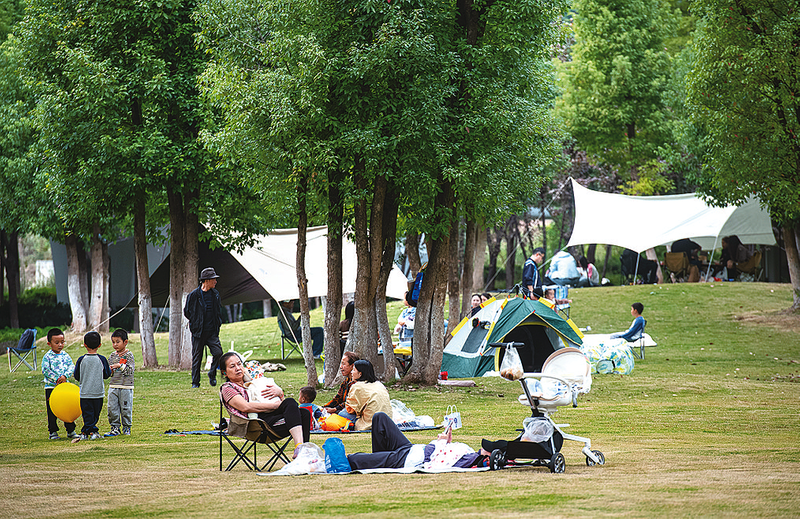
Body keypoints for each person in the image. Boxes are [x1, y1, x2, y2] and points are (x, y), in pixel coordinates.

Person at [219, 351, 310, 449]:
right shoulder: (228, 388)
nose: (238, 368)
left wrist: (280, 393)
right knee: (294, 408)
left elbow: (282, 404)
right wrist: (276, 406)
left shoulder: (253, 382)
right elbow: (245, 407)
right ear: (225, 372)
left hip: (269, 416)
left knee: (304, 412)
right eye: (232, 366)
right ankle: (301, 449)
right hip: (256, 424)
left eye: (239, 364)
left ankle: (302, 451)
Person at [347, 412, 488, 470]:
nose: (484, 446)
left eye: (488, 448)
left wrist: (441, 442)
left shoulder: (470, 460)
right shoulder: (469, 452)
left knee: (354, 459)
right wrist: (447, 441)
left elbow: (437, 464)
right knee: (380, 417)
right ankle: (379, 461)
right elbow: (446, 453)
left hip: (411, 459)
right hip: (413, 449)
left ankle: (376, 461)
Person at [184, 267, 224, 388]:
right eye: (214, 279)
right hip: (198, 332)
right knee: (197, 358)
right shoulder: (194, 295)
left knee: (218, 353)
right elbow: (187, 312)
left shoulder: (215, 294)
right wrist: (196, 323)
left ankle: (212, 373)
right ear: (206, 280)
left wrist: (218, 324)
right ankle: (195, 383)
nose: (216, 282)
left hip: (212, 332)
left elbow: (218, 311)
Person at [72, 331, 111, 442]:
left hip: (85, 392)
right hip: (98, 392)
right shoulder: (102, 359)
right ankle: (93, 431)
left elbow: (77, 375)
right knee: (95, 415)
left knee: (87, 414)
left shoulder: (81, 360)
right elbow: (106, 374)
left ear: (85, 344)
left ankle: (85, 432)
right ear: (99, 345)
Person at [42, 328, 78, 440]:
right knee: (52, 410)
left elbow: (71, 366)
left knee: (67, 409)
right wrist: (57, 379)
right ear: (49, 343)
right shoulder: (47, 357)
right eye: (57, 343)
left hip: (64, 389)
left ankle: (70, 430)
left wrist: (65, 377)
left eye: (62, 342)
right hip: (51, 388)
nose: (60, 345)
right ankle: (53, 431)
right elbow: (46, 370)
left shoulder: (65, 355)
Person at [345, 359, 392, 431]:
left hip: (370, 422)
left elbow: (351, 410)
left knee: (341, 414)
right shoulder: (379, 384)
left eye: (354, 370)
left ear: (360, 374)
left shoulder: (357, 386)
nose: (351, 372)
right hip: (387, 421)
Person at [104, 329, 135, 437]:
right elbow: (108, 372)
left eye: (118, 342)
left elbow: (130, 371)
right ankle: (115, 428)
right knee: (112, 408)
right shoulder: (112, 356)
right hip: (113, 386)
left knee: (126, 408)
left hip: (126, 387)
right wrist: (110, 371)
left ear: (125, 342)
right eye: (113, 342)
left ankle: (127, 427)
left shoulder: (129, 355)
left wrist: (120, 366)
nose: (115, 344)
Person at [322, 351, 360, 418]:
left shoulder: (357, 384)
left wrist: (335, 409)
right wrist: (324, 407)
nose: (341, 367)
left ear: (352, 366)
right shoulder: (346, 381)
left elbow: (350, 403)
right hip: (342, 409)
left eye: (343, 364)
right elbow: (337, 398)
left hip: (352, 412)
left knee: (341, 414)